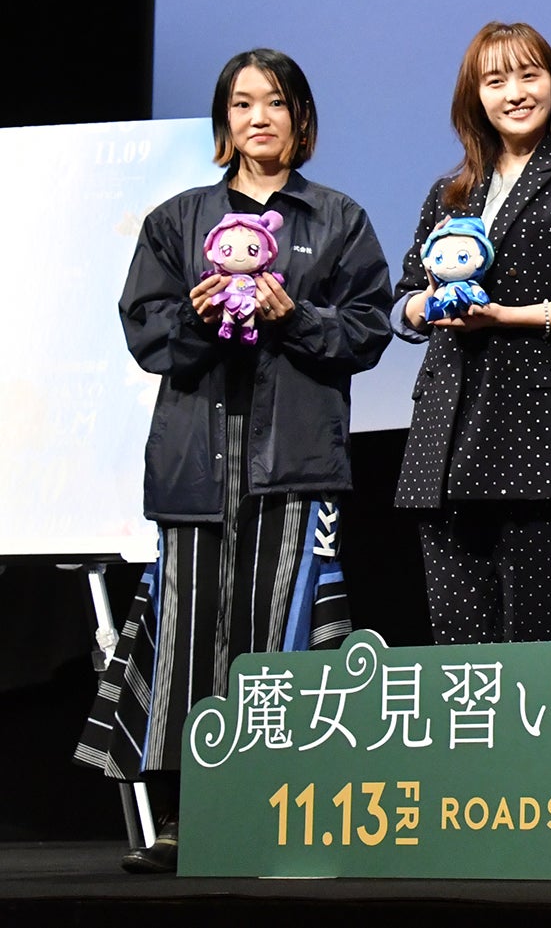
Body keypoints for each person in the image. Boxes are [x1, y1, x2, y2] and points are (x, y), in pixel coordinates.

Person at [75, 48, 394, 872]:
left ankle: (275, 813)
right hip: (196, 463)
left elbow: (369, 330)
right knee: (188, 638)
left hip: (294, 462)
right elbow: (146, 334)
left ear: (300, 118)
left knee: (276, 637)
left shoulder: (338, 219)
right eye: (243, 103)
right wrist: (195, 314)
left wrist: (296, 317)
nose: (260, 117)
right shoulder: (178, 221)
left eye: (276, 102)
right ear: (225, 120)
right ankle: (185, 819)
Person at [393, 21, 551, 645]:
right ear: (475, 97)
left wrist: (505, 316)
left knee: (532, 650)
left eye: (529, 75)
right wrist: (425, 307)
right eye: (495, 80)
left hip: (536, 435)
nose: (515, 93)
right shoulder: (448, 194)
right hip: (444, 436)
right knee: (458, 656)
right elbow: (402, 302)